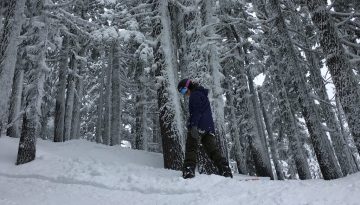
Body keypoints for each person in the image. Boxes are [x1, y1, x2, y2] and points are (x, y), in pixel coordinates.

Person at [177, 79, 233, 179]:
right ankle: (226, 171)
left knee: (191, 148)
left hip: (198, 126)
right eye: (182, 93)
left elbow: (197, 111)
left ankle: (188, 171)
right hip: (208, 128)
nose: (184, 94)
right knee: (213, 151)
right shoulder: (201, 94)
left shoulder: (195, 95)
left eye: (184, 91)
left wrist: (193, 125)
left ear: (188, 86)